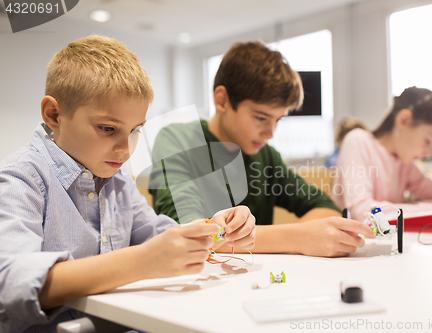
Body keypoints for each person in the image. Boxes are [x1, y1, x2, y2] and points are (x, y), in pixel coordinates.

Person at [0, 35, 256, 332]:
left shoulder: (116, 179)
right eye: (108, 128)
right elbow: (10, 283)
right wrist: (141, 262)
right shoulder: (21, 179)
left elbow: (156, 235)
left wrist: (212, 230)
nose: (126, 149)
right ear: (54, 114)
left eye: (135, 130)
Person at [149, 41, 375, 258]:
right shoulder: (177, 140)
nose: (270, 133)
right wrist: (296, 237)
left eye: (278, 120)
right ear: (222, 100)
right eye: (261, 117)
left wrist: (297, 237)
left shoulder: (266, 155)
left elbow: (325, 208)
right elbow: (189, 231)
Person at [331, 87, 432, 222]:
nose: (428, 154)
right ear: (404, 120)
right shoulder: (358, 141)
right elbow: (362, 211)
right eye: (427, 141)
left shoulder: (404, 161)